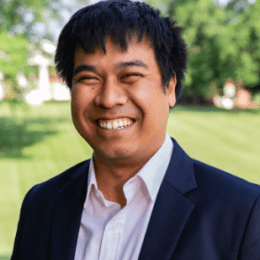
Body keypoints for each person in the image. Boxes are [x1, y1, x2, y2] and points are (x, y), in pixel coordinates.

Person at [11, 0, 260, 259]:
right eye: (88, 79)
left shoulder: (244, 213)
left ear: (170, 87)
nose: (108, 99)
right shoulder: (41, 204)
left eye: (129, 76)